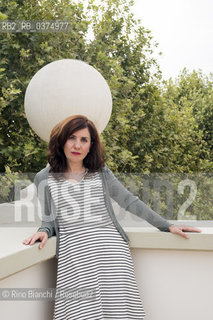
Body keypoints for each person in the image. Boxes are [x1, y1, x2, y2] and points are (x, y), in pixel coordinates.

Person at [23, 114, 201, 319]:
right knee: (80, 312)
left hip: (112, 254)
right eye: (72, 137)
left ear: (91, 145)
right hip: (76, 257)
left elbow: (128, 200)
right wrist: (43, 232)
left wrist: (166, 226)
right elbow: (48, 219)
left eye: (84, 140)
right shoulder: (44, 178)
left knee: (116, 313)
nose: (77, 145)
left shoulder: (100, 172)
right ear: (61, 140)